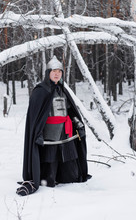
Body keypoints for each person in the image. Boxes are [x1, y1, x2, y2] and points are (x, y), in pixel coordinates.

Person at [16, 56, 91, 196]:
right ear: (48, 73)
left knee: (71, 171)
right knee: (49, 170)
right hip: (48, 135)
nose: (57, 73)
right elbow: (36, 118)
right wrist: (37, 133)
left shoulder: (63, 90)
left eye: (59, 71)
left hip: (65, 133)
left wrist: (78, 124)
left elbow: (70, 111)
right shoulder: (40, 91)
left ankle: (67, 179)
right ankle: (48, 181)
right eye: (53, 71)